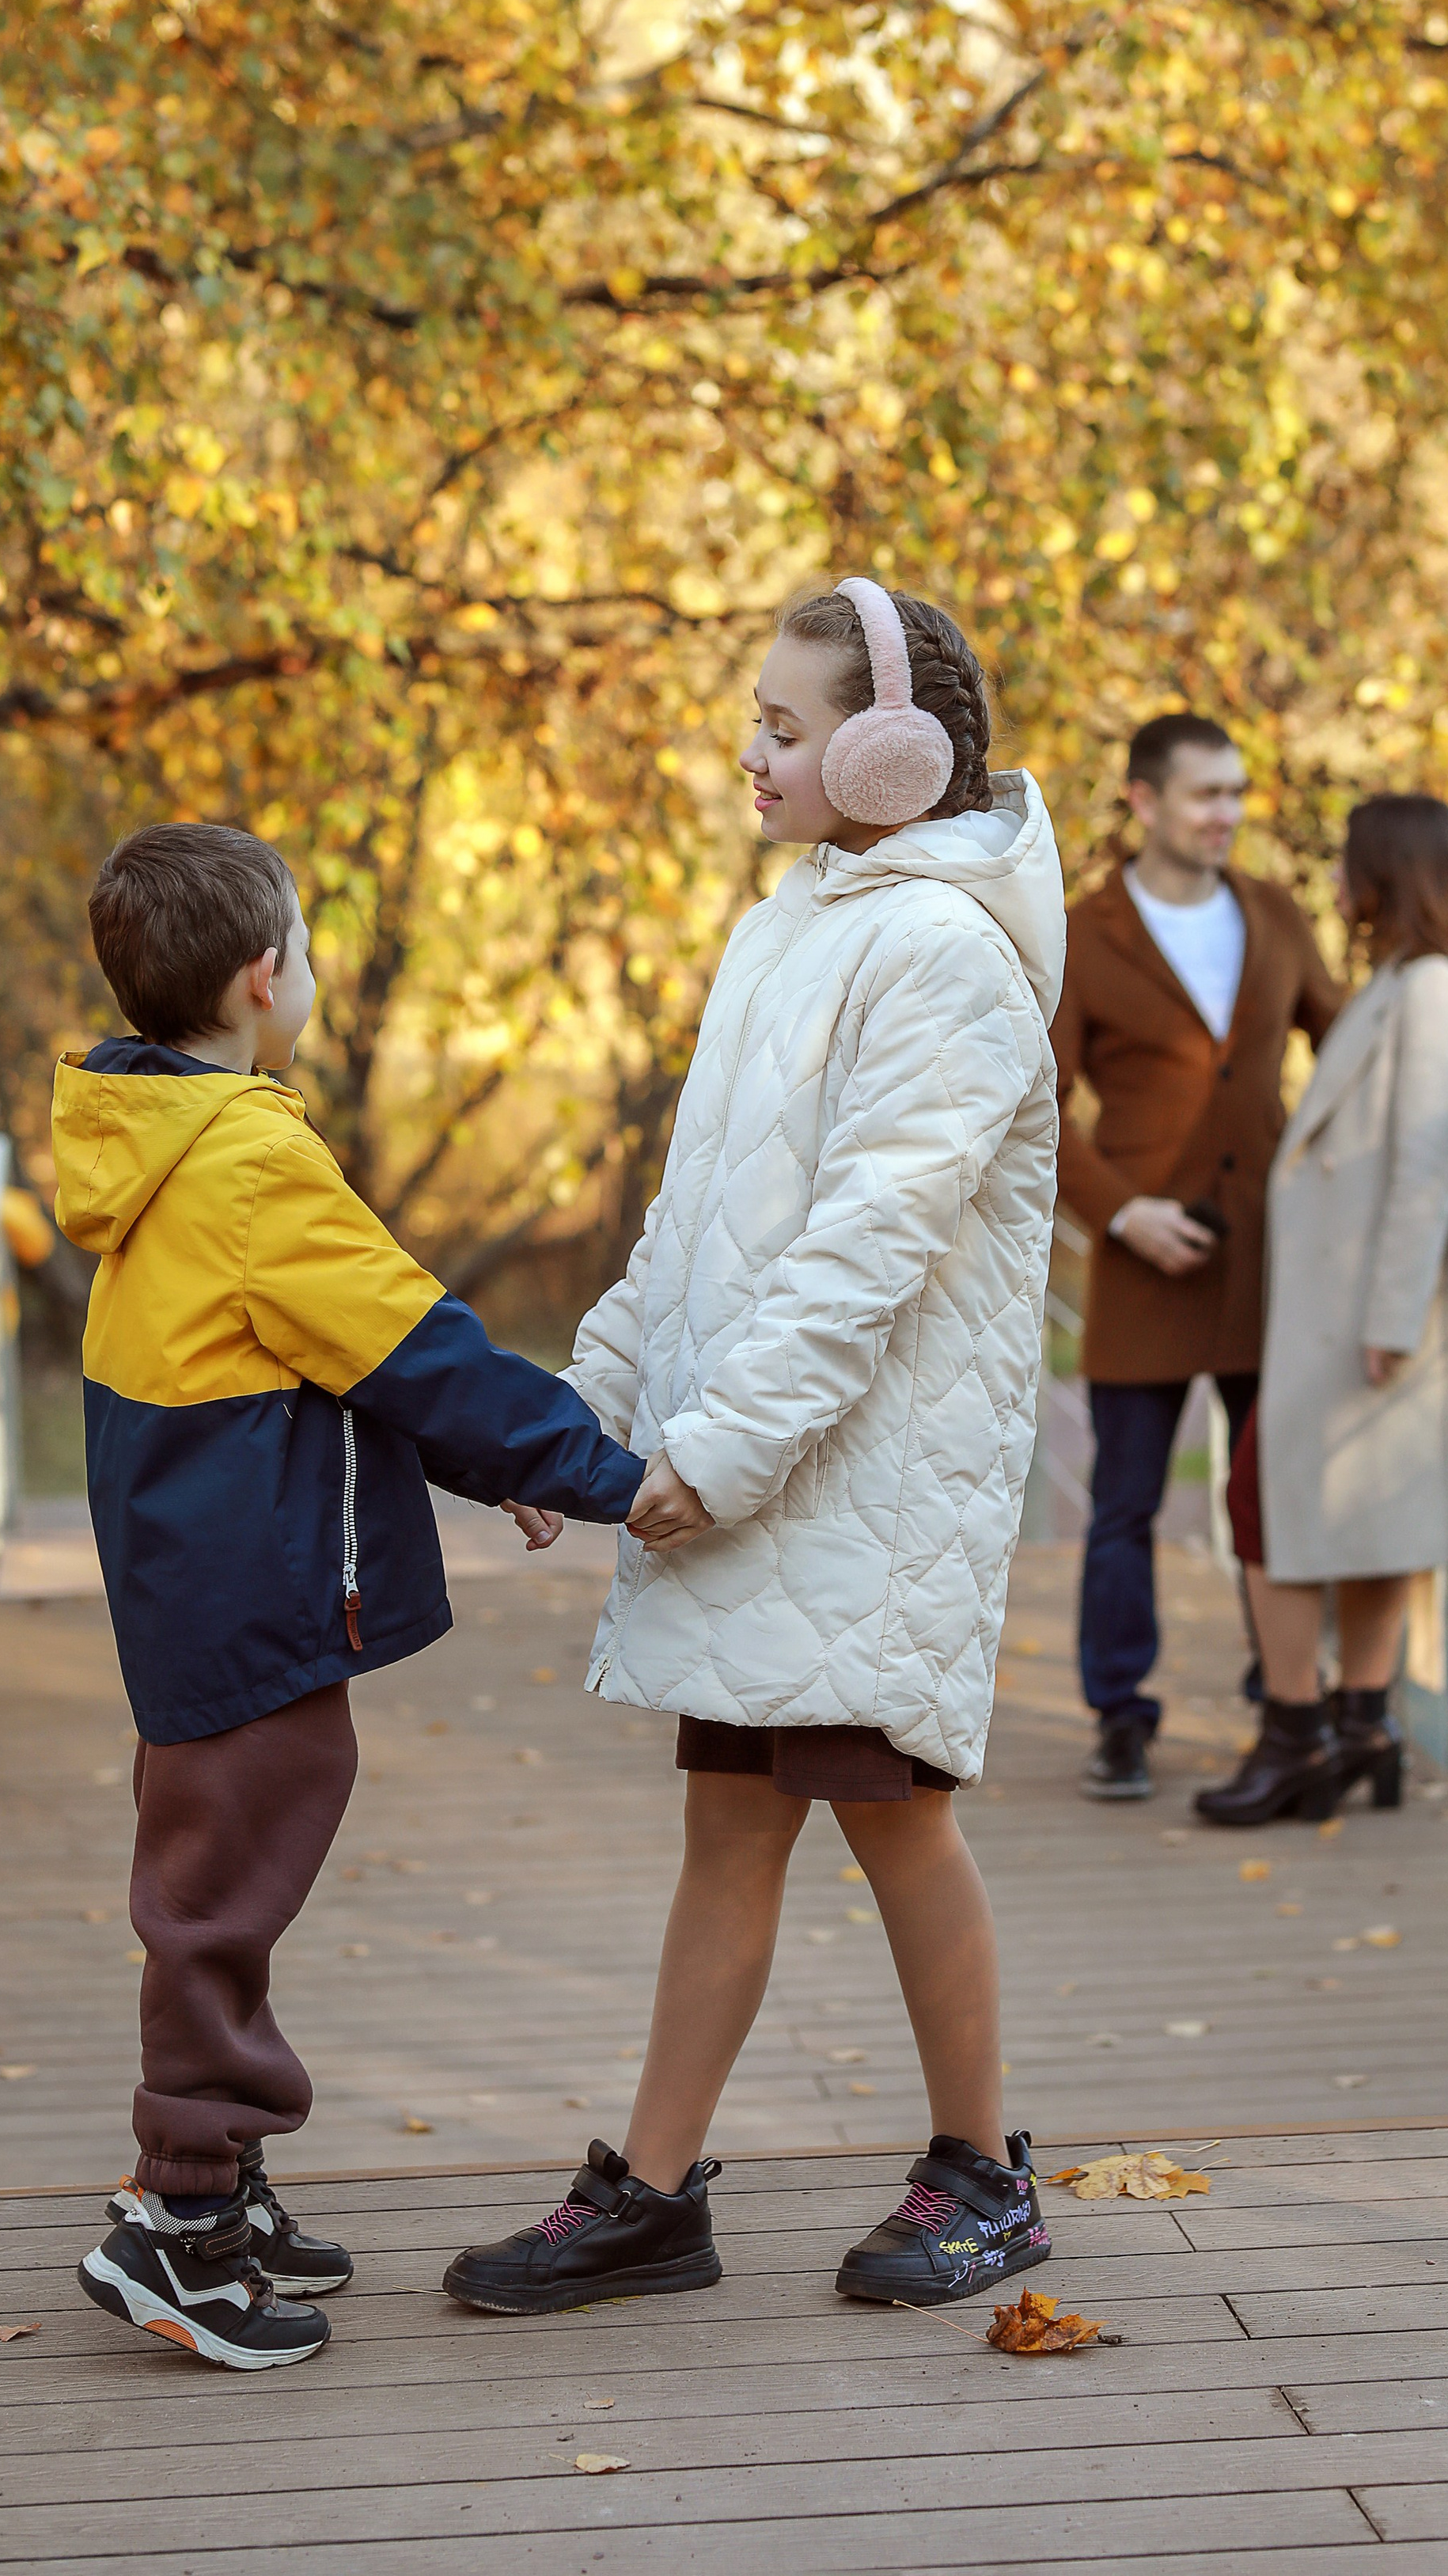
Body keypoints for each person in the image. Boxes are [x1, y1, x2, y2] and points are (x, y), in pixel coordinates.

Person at [440, 578, 1065, 2319]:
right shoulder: (791, 921)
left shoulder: (944, 954)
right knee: (729, 1818)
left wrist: (708, 1460)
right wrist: (582, 1422)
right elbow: (696, 1225)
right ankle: (650, 2195)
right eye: (757, 721)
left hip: (854, 1486)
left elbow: (865, 1249)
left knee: (890, 1820)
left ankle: (982, 2175)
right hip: (761, 1475)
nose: (750, 752)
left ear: (887, 754)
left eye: (783, 727)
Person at [53, 821, 647, 2367]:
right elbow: (415, 1345)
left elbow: (323, 1351)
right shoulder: (248, 1156)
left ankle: (220, 2183)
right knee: (217, 1892)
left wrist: (481, 1469)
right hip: (238, 1589)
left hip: (204, 1576)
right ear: (265, 980)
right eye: (308, 949)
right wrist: (596, 1471)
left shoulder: (163, 1133)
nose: (308, 973)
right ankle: (178, 2221)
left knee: (229, 1857)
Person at [1196, 794, 1448, 1827]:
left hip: (1375, 1310)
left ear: (1389, 873)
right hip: (1352, 1302)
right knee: (1360, 1518)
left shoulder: (1432, 993)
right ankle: (1364, 1728)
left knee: (1261, 1503)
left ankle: (1296, 1737)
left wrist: (1390, 1319)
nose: (1335, 884)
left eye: (1348, 865)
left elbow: (1426, 1160)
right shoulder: (1408, 982)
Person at [1050, 715, 1343, 1804]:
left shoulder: (1273, 911)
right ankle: (1120, 1717)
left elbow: (1345, 1040)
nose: (1225, 814)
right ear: (1142, 800)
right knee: (1125, 1503)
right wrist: (1121, 1217)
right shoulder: (1086, 932)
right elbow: (1040, 1104)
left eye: (1236, 793)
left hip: (1275, 1261)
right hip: (1144, 1263)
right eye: (1204, 794)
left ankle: (1290, 1694)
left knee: (1280, 1495)